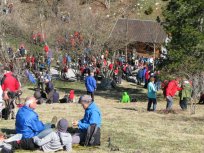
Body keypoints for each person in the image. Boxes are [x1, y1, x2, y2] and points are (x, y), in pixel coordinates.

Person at [1, 119, 72, 152]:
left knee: (19, 142)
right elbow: (68, 150)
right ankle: (7, 139)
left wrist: (35, 138)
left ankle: (4, 145)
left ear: (58, 126)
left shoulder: (53, 134)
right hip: (46, 146)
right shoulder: (69, 137)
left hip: (36, 145)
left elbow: (39, 143)